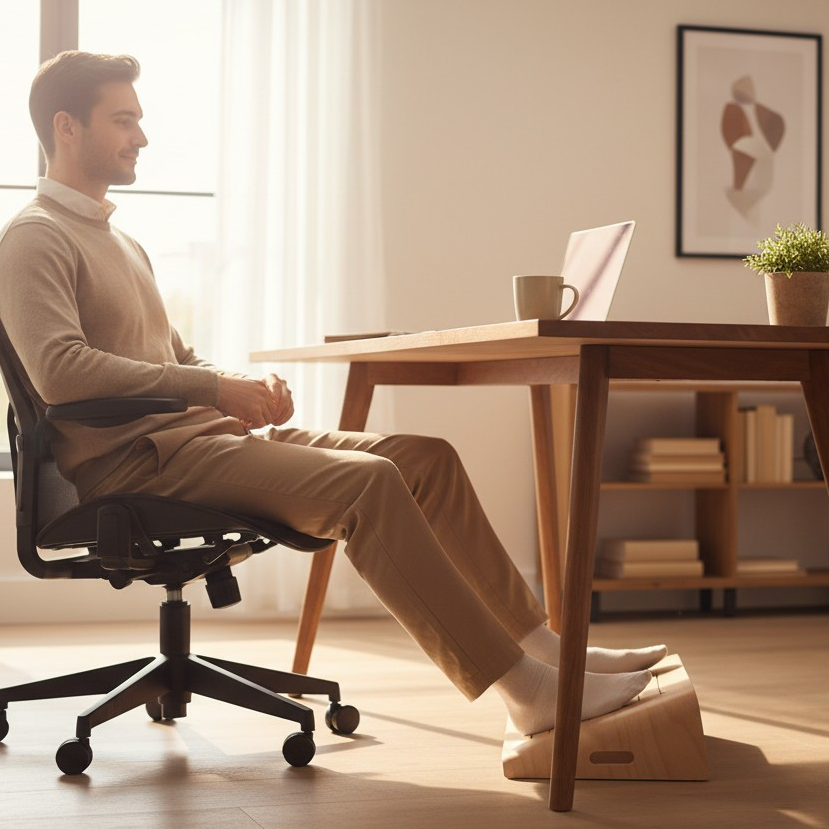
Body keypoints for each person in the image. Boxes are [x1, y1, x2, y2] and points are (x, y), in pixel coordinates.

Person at [0, 51, 662, 739]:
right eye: (124, 119)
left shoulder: (123, 241)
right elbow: (61, 372)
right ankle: (527, 693)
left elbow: (175, 358)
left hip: (203, 440)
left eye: (138, 120)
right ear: (66, 127)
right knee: (368, 485)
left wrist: (239, 390)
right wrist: (213, 387)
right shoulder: (33, 238)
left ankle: (545, 648)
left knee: (423, 458)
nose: (141, 136)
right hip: (137, 462)